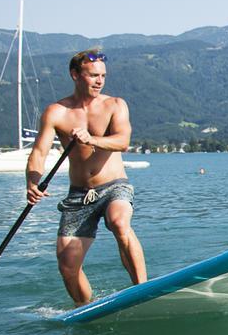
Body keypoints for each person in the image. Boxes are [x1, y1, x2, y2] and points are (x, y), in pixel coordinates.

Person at [26, 49, 147, 304]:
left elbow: (123, 141)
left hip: (114, 186)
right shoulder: (57, 112)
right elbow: (39, 152)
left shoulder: (115, 105)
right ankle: (86, 308)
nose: (100, 81)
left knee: (119, 223)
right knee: (67, 265)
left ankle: (143, 292)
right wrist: (32, 182)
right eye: (93, 75)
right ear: (75, 75)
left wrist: (92, 139)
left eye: (102, 75)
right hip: (79, 194)